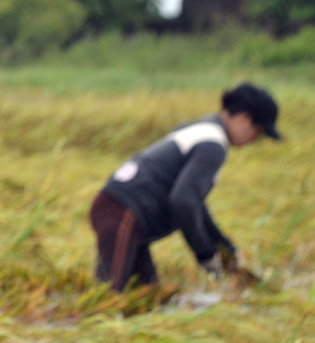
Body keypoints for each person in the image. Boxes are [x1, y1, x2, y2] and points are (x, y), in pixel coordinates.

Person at [89, 82, 282, 292]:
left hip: (122, 211)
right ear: (244, 119)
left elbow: (195, 203)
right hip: (123, 211)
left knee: (148, 297)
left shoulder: (203, 129)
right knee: (108, 297)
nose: (254, 140)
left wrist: (223, 246)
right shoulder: (213, 145)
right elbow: (184, 202)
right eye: (258, 132)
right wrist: (206, 255)